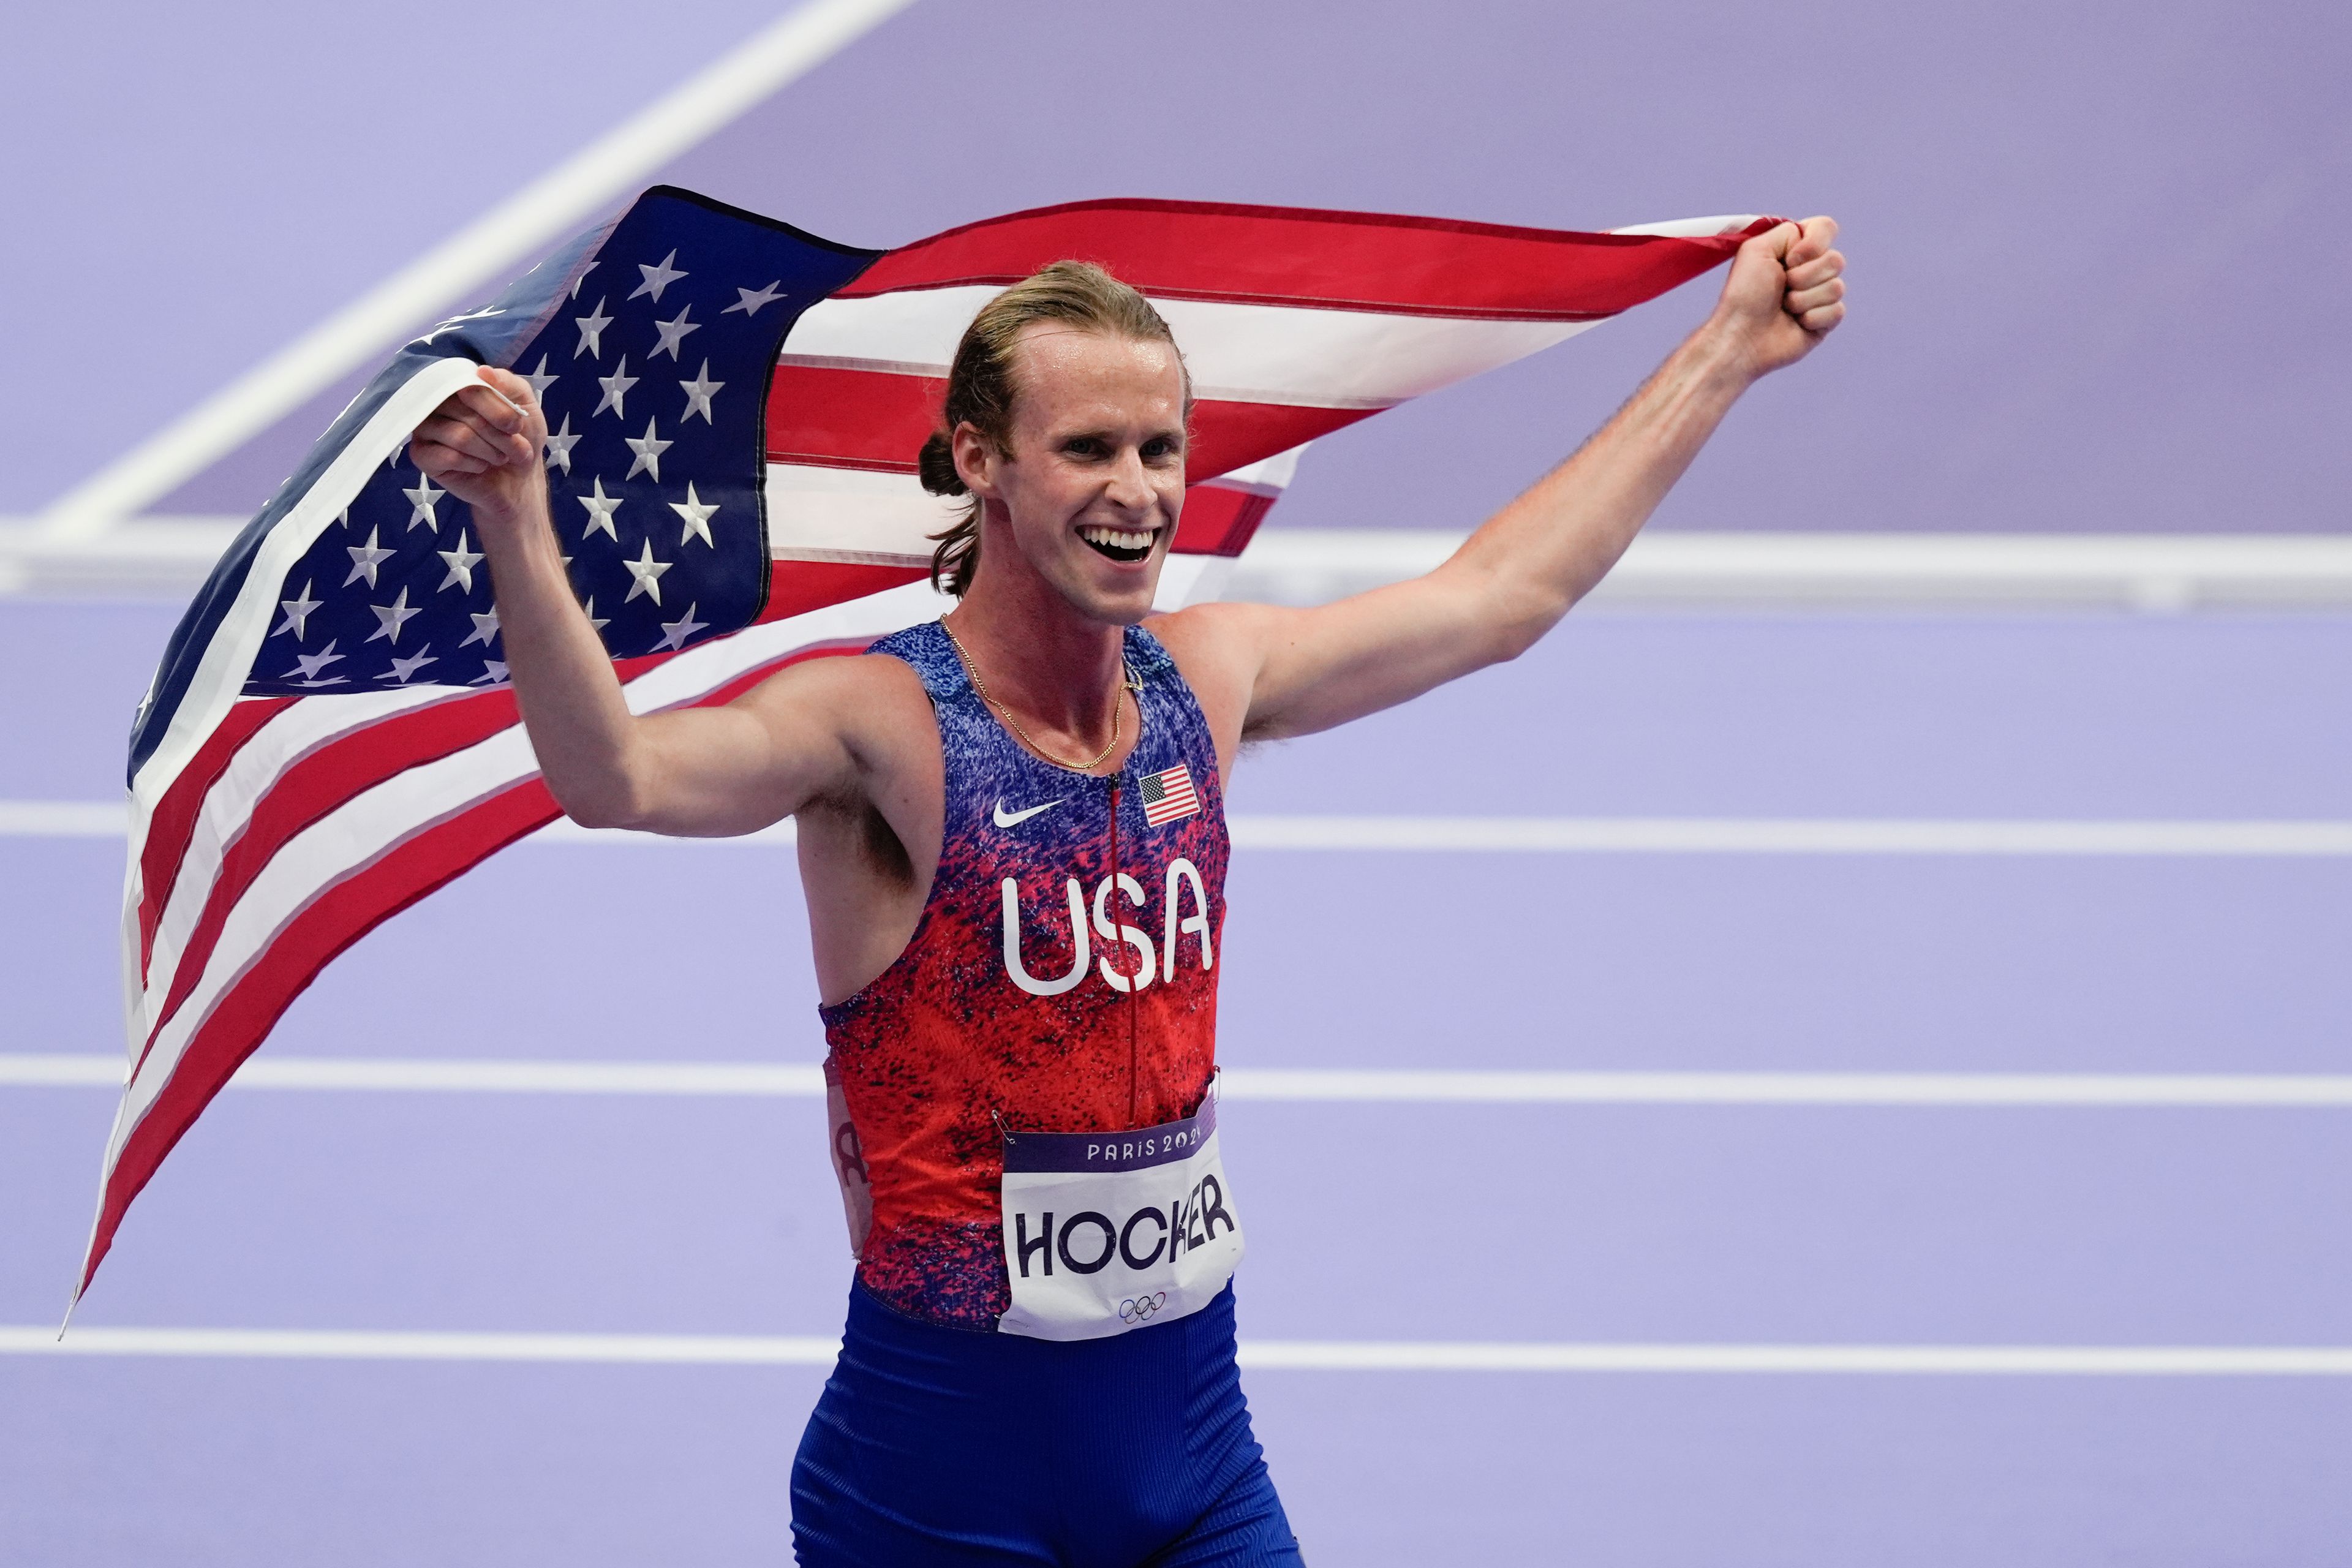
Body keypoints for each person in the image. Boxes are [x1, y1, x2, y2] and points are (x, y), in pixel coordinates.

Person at [410, 215, 1846, 1566]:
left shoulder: (1206, 684)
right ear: (980, 459)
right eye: (1087, 446)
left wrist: (1727, 349)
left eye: (1162, 447)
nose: (1138, 489)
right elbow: (619, 778)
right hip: (938, 1474)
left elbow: (1500, 599)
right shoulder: (874, 729)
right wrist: (515, 517)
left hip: (1193, 1442)